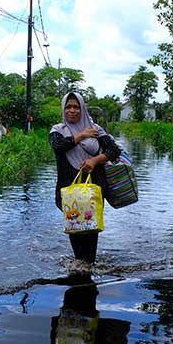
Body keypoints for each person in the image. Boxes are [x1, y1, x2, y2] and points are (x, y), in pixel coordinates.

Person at [48, 91, 121, 265]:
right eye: (68, 107)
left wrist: (95, 160)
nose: (72, 111)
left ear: (82, 109)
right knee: (74, 228)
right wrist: (81, 135)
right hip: (68, 189)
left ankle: (87, 265)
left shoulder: (96, 130)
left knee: (91, 229)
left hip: (93, 187)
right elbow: (58, 146)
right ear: (63, 109)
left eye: (76, 107)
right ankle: (80, 264)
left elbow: (114, 151)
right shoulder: (58, 130)